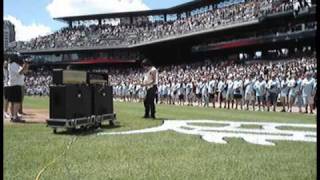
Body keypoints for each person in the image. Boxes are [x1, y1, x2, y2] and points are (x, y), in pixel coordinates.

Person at [7, 54, 29, 122]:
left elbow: (24, 72)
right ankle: (15, 116)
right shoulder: (13, 64)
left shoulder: (15, 64)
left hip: (15, 85)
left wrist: (26, 65)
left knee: (13, 102)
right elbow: (20, 72)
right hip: (15, 85)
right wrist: (25, 65)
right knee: (16, 102)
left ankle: (13, 116)